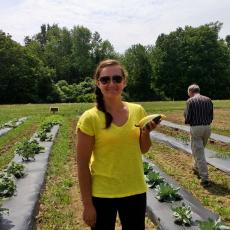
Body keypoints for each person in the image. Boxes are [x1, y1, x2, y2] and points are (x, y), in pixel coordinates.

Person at [76, 59, 158, 230]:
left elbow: (143, 149)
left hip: (134, 190)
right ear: (98, 83)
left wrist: (146, 133)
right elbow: (82, 164)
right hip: (102, 193)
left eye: (117, 79)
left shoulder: (138, 110)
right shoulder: (90, 118)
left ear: (124, 82)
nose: (111, 83)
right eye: (105, 80)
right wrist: (87, 205)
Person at [184, 84, 213, 188]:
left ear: (191, 91)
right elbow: (211, 115)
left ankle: (205, 179)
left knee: (199, 152)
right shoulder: (208, 100)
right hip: (207, 128)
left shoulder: (190, 101)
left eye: (188, 92)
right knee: (200, 150)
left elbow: (187, 118)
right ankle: (196, 167)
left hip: (196, 128)